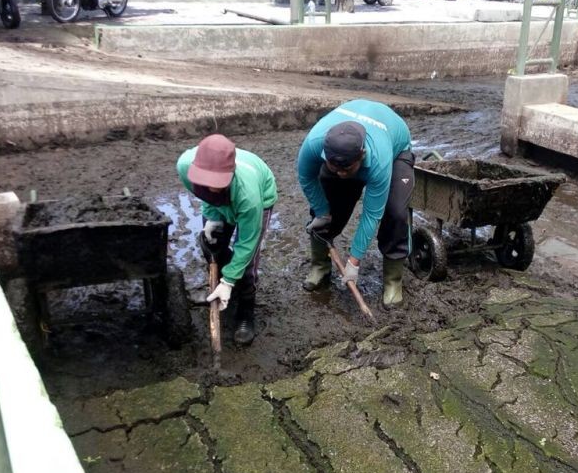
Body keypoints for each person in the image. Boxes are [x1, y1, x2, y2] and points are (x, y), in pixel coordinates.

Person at [297, 99, 414, 308]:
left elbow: (371, 215)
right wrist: (323, 212)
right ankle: (320, 267)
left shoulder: (378, 158)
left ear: (362, 155)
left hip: (396, 149)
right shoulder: (315, 142)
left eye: (347, 169)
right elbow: (306, 177)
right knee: (327, 207)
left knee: (395, 213)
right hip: (349, 146)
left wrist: (354, 262)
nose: (341, 174)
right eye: (335, 168)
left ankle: (393, 281)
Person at [177, 134, 277, 345]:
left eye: (218, 183)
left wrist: (230, 279)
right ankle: (220, 289)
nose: (212, 187)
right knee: (212, 245)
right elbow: (206, 196)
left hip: (259, 195)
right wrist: (212, 218)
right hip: (225, 200)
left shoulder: (249, 197)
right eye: (207, 182)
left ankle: (245, 310)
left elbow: (248, 242)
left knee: (247, 263)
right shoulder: (185, 166)